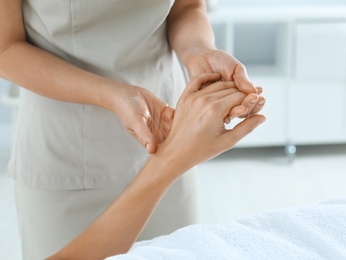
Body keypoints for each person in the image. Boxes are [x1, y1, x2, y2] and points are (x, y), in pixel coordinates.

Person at [0, 0, 265, 259]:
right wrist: (113, 94)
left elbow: (188, 6)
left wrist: (198, 51)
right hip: (66, 155)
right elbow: (5, 47)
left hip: (167, 134)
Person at [46, 72, 266, 260]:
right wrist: (172, 158)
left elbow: (181, 19)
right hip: (67, 147)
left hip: (162, 110)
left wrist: (197, 52)